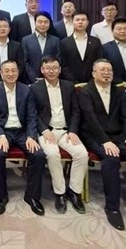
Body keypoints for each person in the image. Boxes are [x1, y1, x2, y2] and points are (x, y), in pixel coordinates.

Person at [79, 59, 126, 233]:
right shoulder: (86, 92)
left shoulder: (120, 92)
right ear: (93, 73)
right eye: (102, 70)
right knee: (111, 158)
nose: (106, 73)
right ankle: (112, 207)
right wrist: (105, 141)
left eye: (109, 70)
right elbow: (90, 119)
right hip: (95, 136)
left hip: (119, 136)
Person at [31, 55, 88, 215]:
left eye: (55, 68)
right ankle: (60, 193)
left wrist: (73, 131)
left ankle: (74, 192)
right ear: (42, 70)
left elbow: (76, 111)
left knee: (82, 154)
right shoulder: (35, 88)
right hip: (46, 131)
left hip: (66, 131)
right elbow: (33, 113)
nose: (51, 71)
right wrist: (44, 130)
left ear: (60, 69)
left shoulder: (69, 87)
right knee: (52, 154)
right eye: (48, 68)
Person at [0, 60, 45, 216]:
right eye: (7, 71)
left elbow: (32, 116)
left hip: (22, 132)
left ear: (18, 72)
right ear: (1, 73)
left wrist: (31, 136)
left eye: (13, 70)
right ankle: (2, 196)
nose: (10, 74)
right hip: (3, 132)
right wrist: (0, 135)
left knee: (38, 155)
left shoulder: (26, 90)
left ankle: (32, 196)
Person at [59, 11, 102, 84]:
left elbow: (99, 62)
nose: (80, 22)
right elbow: (63, 65)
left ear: (87, 22)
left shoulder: (96, 42)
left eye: (83, 20)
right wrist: (73, 82)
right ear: (72, 22)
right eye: (77, 20)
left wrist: (91, 81)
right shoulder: (64, 42)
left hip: (92, 83)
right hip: (70, 83)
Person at [22, 11, 60, 84]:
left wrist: (49, 76)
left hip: (51, 80)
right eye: (40, 22)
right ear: (35, 22)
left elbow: (58, 60)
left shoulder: (55, 40)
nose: (43, 24)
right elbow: (25, 62)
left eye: (46, 22)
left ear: (50, 23)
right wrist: (34, 78)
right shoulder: (26, 40)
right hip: (31, 81)